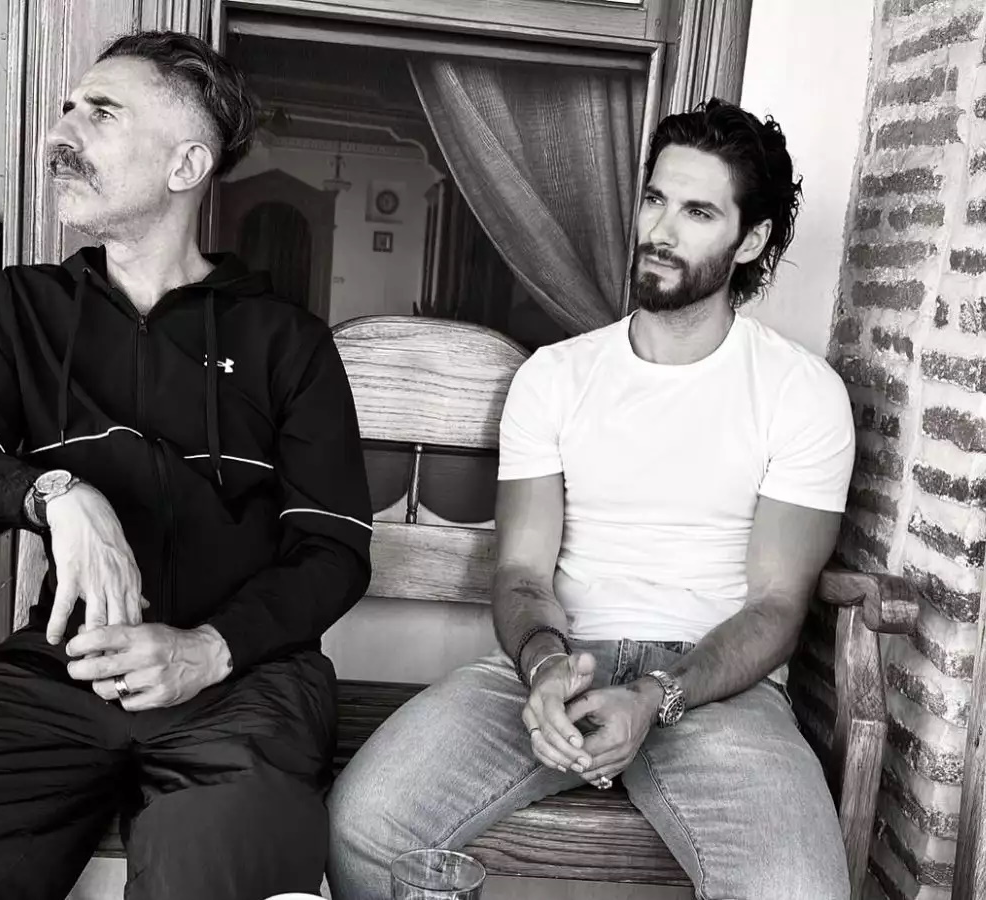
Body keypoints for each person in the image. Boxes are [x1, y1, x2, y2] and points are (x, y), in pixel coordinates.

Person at [0, 31, 372, 900]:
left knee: (216, 869)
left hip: (244, 678)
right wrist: (53, 491)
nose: (61, 133)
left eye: (102, 113)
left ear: (186, 164)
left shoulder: (287, 340)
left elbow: (333, 548)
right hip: (66, 663)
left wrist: (209, 649)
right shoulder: (26, 310)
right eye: (68, 108)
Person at [327, 98, 855, 900]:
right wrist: (543, 666)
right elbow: (522, 574)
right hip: (563, 661)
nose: (660, 230)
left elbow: (778, 607)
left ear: (750, 241)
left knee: (799, 891)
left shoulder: (800, 393)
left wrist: (658, 694)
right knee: (365, 823)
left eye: (698, 212)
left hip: (719, 686)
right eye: (655, 199)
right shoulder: (556, 377)